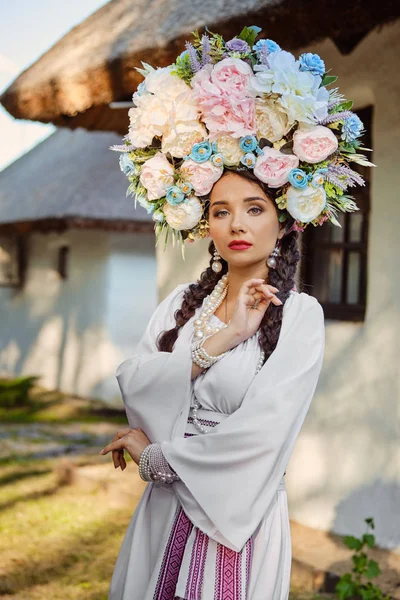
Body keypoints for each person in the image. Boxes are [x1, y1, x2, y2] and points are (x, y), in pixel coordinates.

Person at [101, 25, 372, 600]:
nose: (238, 225)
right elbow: (135, 382)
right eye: (221, 211)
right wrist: (218, 342)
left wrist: (156, 455)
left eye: (254, 208)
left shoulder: (299, 317)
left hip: (234, 521)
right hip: (163, 514)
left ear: (284, 220)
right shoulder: (180, 305)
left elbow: (262, 437)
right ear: (206, 225)